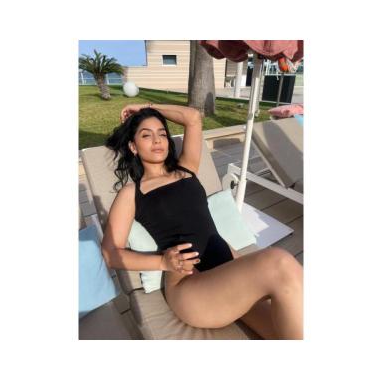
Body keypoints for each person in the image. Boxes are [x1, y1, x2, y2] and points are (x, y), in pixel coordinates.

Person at [101, 103, 303, 340]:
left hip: (227, 272)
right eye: (146, 135)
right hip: (191, 286)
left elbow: (193, 118)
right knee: (279, 263)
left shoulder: (186, 169)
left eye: (162, 134)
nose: (157, 140)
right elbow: (110, 252)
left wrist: (146, 107)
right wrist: (162, 262)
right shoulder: (132, 193)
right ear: (133, 146)